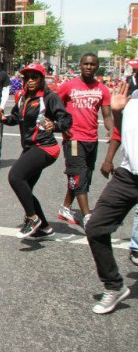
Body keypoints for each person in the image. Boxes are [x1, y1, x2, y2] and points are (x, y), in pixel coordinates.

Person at [0, 63, 72, 239]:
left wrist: (55, 125)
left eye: (34, 77)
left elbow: (66, 119)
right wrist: (3, 118)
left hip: (45, 147)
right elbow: (15, 118)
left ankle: (32, 218)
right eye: (26, 77)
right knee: (26, 187)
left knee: (15, 176)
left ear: (42, 79)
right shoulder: (21, 96)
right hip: (30, 148)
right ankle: (44, 227)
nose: (29, 80)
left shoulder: (49, 97)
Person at [85, 82, 137, 314]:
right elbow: (123, 132)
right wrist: (117, 111)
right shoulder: (133, 98)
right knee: (96, 227)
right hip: (128, 176)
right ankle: (114, 285)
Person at [56, 53, 114, 228]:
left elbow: (106, 114)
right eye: (86, 64)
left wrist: (112, 131)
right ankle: (87, 216)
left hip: (91, 139)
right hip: (73, 139)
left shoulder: (102, 89)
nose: (89, 67)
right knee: (78, 174)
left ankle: (65, 208)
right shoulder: (68, 86)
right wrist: (61, 124)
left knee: (83, 177)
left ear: (97, 67)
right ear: (80, 65)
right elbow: (55, 107)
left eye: (93, 64)